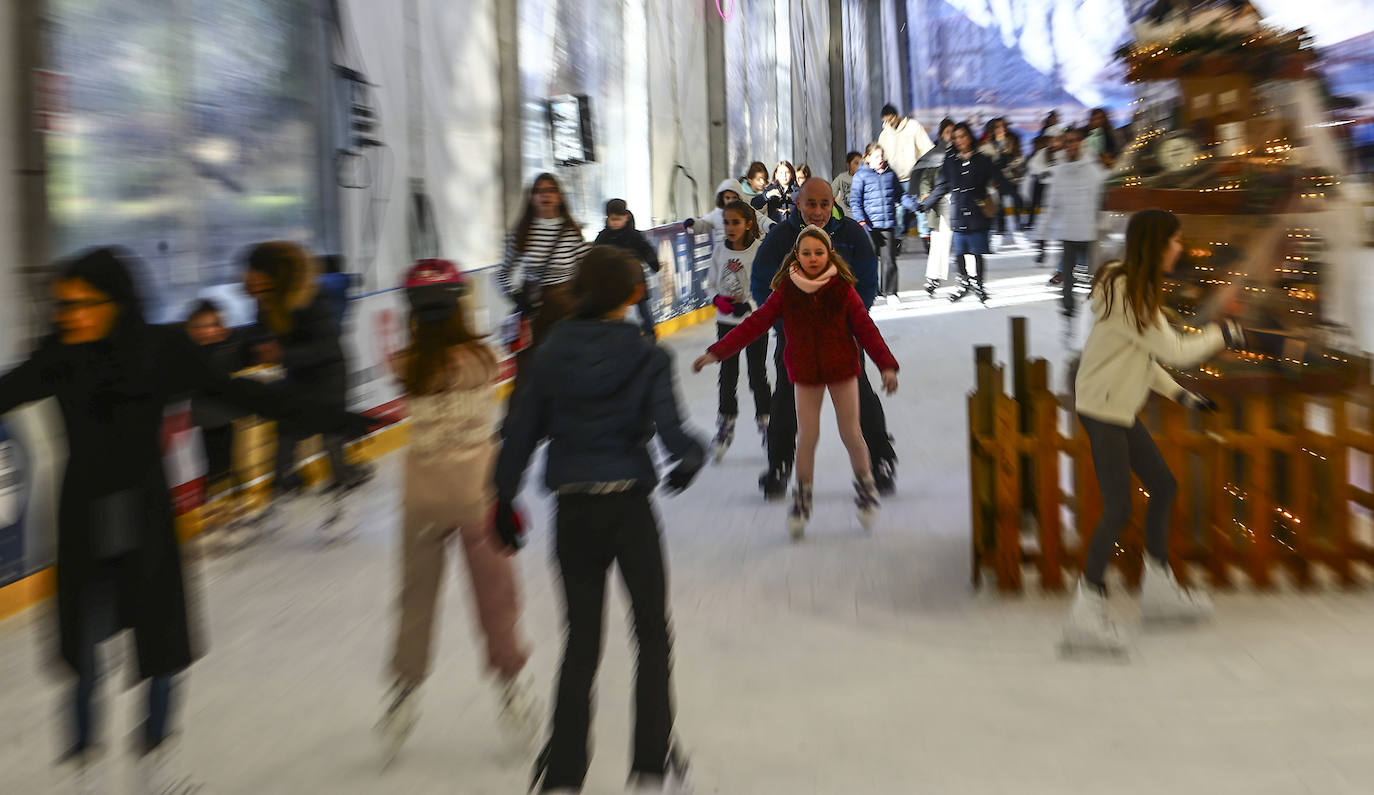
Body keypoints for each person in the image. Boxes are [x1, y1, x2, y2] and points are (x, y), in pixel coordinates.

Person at [0, 247, 365, 793]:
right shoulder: (58, 354)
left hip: (146, 517)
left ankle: (154, 764)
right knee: (84, 656)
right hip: (83, 521)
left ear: (115, 302)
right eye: (61, 305)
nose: (66, 314)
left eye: (79, 304)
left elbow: (241, 394)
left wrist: (332, 418)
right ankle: (84, 775)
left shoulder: (160, 348)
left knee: (164, 648)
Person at [496, 246, 704, 794]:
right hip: (629, 507)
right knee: (652, 633)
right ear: (635, 294)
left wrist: (501, 498)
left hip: (574, 510)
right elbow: (674, 434)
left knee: (581, 641)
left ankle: (564, 771)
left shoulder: (549, 351)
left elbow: (520, 432)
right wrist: (691, 459)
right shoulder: (646, 355)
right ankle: (651, 760)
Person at [1062, 209, 1245, 654]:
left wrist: (1182, 396)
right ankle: (1085, 613)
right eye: (1175, 241)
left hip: (1116, 406)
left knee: (1163, 486)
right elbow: (1175, 350)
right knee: (1118, 509)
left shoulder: (1134, 289)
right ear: (1156, 244)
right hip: (1103, 408)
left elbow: (1143, 358)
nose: (1180, 248)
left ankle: (1159, 589)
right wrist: (1223, 332)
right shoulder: (1129, 292)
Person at [377, 259, 538, 761]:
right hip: (477, 501)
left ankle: (402, 697)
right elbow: (516, 362)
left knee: (416, 601)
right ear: (458, 306)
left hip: (422, 502)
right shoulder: (482, 358)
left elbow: (395, 359)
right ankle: (512, 692)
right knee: (497, 602)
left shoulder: (406, 365)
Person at [695, 225, 899, 539]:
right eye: (807, 253)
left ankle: (866, 486)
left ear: (829, 254)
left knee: (851, 433)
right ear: (797, 255)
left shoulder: (842, 288)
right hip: (805, 372)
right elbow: (756, 323)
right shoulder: (787, 290)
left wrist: (886, 365)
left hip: (842, 368)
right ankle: (802, 498)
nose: (813, 258)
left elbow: (866, 330)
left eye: (819, 252)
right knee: (807, 437)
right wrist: (717, 352)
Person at [750, 177, 899, 499]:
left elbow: (867, 282)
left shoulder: (851, 234)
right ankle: (779, 464)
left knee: (861, 400)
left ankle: (882, 458)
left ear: (832, 204)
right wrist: (782, 323)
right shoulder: (781, 237)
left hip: (841, 339)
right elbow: (761, 281)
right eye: (811, 204)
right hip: (796, 341)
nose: (817, 211)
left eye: (824, 204)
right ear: (799, 204)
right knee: (786, 401)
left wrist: (850, 322)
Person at [243, 241, 369, 508]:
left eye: (254, 270)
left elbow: (326, 346)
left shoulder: (313, 296)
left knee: (330, 428)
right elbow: (261, 333)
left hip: (329, 372)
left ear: (273, 272)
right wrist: (259, 346)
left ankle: (342, 473)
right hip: (298, 373)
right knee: (287, 424)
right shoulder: (267, 300)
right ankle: (284, 479)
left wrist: (281, 354)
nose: (248, 276)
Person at [498, 173, 590, 403]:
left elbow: (588, 268)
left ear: (559, 197)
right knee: (527, 371)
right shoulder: (521, 233)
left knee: (570, 367)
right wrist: (517, 298)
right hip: (534, 310)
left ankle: (567, 423)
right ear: (532, 198)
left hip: (567, 307)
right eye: (539, 191)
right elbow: (502, 274)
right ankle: (520, 429)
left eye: (551, 190)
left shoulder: (571, 232)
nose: (545, 195)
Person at [916, 122, 1018, 305]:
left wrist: (1014, 196)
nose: (959, 140)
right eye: (956, 137)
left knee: (977, 251)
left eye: (962, 136)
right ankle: (964, 283)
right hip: (958, 211)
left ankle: (978, 284)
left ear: (970, 137)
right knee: (960, 252)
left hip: (977, 211)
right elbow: (942, 186)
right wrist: (926, 204)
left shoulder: (982, 160)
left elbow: (999, 179)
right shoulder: (950, 161)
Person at [704, 201, 771, 461]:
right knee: (727, 376)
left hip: (754, 324)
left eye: (736, 222)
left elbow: (768, 288)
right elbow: (710, 284)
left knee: (757, 375)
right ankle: (726, 423)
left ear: (748, 224)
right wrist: (717, 300)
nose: (730, 228)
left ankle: (766, 421)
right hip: (726, 324)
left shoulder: (758, 251)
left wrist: (750, 306)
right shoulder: (720, 250)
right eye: (727, 223)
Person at [183, 299, 251, 548]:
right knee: (213, 469)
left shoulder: (227, 349)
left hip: (225, 417)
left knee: (227, 466)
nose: (208, 331)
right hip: (203, 420)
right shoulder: (190, 354)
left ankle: (234, 513)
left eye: (213, 325)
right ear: (192, 329)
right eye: (201, 326)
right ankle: (217, 516)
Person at [1042, 126, 1106, 317]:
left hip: (1088, 229)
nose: (1070, 145)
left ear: (1081, 143)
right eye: (1067, 141)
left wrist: (1100, 224)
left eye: (1074, 140)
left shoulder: (1093, 170)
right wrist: (1043, 229)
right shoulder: (1060, 171)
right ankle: (1068, 306)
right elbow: (1052, 201)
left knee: (1095, 271)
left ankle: (1101, 306)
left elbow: (1099, 199)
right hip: (1068, 228)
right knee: (1068, 270)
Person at [594, 198, 662, 336]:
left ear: (626, 217)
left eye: (618, 219)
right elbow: (595, 256)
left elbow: (646, 250)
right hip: (613, 283)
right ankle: (616, 337)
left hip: (635, 280)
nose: (615, 223)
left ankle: (650, 335)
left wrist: (653, 263)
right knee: (614, 311)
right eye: (612, 219)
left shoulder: (635, 236)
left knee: (643, 310)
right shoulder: (603, 237)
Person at [907, 119, 955, 298]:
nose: (951, 136)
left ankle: (971, 276)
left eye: (953, 132)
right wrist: (926, 195)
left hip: (960, 201)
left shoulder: (960, 153)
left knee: (967, 241)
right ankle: (934, 277)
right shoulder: (935, 155)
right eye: (948, 132)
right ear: (942, 134)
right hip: (940, 201)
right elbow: (926, 178)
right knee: (939, 240)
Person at [850, 143, 902, 303]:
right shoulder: (861, 176)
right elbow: (855, 201)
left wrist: (916, 205)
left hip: (886, 224)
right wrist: (861, 221)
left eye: (882, 155)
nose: (881, 159)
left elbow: (900, 195)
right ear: (868, 158)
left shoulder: (890, 174)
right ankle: (869, 289)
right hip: (869, 226)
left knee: (889, 260)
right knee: (869, 260)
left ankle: (891, 292)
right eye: (877, 156)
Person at [877, 103, 935, 241]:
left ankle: (925, 237)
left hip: (915, 176)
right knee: (897, 210)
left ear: (896, 116)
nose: (889, 123)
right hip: (895, 178)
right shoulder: (884, 134)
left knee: (920, 208)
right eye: (886, 121)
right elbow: (881, 155)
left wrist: (925, 170)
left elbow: (926, 148)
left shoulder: (913, 127)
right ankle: (896, 240)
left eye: (890, 119)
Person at [979, 117, 1027, 239]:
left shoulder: (1012, 140)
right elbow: (990, 164)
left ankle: (1018, 231)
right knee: (998, 207)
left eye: (1003, 126)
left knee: (1016, 204)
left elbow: (1019, 158)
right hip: (995, 181)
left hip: (1012, 177)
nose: (1002, 129)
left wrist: (1013, 163)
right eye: (998, 127)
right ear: (992, 129)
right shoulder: (986, 146)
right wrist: (1001, 155)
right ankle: (999, 232)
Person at [683, 178, 773, 241]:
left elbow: (761, 220)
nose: (731, 201)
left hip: (744, 250)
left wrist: (771, 226)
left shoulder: (746, 211)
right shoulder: (718, 214)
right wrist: (693, 223)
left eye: (734, 198)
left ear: (739, 198)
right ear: (722, 198)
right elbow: (704, 224)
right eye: (728, 198)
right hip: (724, 253)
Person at [750, 160, 800, 224]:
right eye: (781, 173)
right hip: (775, 228)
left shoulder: (798, 190)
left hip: (793, 228)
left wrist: (793, 196)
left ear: (792, 175)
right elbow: (754, 204)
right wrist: (767, 195)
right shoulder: (770, 189)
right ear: (776, 175)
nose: (784, 175)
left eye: (787, 172)